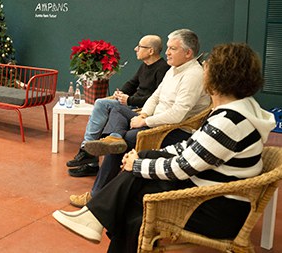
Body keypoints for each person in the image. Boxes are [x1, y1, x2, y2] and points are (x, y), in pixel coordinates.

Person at [53, 43, 276, 253]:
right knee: (143, 159)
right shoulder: (238, 109)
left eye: (207, 68)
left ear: (220, 76)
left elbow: (180, 168)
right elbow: (191, 146)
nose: (203, 72)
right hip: (212, 191)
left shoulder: (228, 122)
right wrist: (141, 159)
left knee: (134, 207)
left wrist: (138, 164)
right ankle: (93, 217)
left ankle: (94, 216)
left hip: (214, 208)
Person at [69, 29, 211, 207]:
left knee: (125, 139)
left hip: (174, 129)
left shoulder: (193, 75)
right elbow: (155, 97)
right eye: (167, 48)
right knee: (114, 107)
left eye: (172, 49)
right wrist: (143, 114)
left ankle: (96, 195)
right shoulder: (174, 69)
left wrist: (144, 121)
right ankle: (115, 138)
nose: (167, 52)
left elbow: (178, 115)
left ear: (188, 53)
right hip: (155, 119)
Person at [67, 35, 170, 178]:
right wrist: (120, 93)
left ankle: (86, 150)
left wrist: (129, 99)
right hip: (131, 104)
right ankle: (90, 161)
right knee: (102, 113)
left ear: (151, 51)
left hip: (141, 110)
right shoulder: (144, 65)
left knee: (101, 104)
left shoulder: (163, 69)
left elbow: (155, 99)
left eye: (140, 47)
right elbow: (132, 83)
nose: (136, 49)